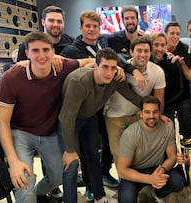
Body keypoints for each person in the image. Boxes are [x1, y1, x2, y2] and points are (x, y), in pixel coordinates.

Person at [0, 31, 88, 203]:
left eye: (46, 50)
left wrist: (121, 68)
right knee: (23, 182)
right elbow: (3, 122)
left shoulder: (62, 66)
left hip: (49, 132)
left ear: (53, 51)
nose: (42, 55)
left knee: (60, 176)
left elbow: (90, 61)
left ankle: (39, 192)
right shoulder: (11, 78)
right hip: (20, 132)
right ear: (27, 53)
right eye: (35, 51)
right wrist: (13, 162)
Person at [60, 10, 141, 199]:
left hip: (91, 116)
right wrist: (70, 150)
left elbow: (131, 95)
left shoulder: (104, 50)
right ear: (95, 65)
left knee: (93, 156)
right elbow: (67, 116)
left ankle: (97, 193)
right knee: (71, 163)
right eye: (87, 26)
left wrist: (149, 108)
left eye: (94, 26)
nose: (109, 71)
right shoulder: (73, 58)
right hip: (69, 116)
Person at [104, 36, 166, 163]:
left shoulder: (157, 72)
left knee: (140, 153)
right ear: (131, 52)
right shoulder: (119, 69)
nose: (143, 54)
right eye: (139, 50)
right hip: (116, 116)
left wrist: (158, 116)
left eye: (146, 51)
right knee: (119, 155)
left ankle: (140, 180)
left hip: (138, 116)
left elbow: (159, 99)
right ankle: (125, 181)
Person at [117, 96, 185, 203]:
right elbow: (122, 171)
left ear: (159, 113)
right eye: (147, 112)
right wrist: (150, 179)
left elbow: (172, 157)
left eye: (155, 112)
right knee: (126, 198)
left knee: (178, 182)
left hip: (157, 168)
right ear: (141, 114)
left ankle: (156, 192)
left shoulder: (168, 127)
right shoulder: (130, 134)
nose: (151, 116)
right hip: (135, 171)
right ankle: (149, 186)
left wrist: (162, 170)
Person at [149, 32, 191, 136]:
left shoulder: (172, 63)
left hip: (173, 102)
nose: (159, 48)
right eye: (156, 45)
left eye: (163, 45)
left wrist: (164, 104)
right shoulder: (145, 63)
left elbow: (180, 90)